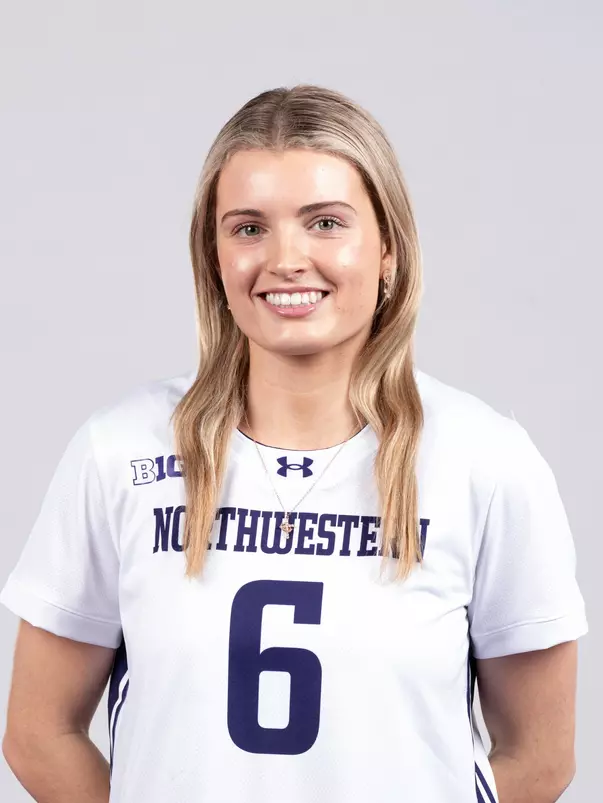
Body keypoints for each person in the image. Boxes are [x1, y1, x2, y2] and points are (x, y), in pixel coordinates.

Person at [0, 84, 588, 803]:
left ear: (387, 251)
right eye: (247, 227)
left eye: (324, 222)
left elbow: (540, 753)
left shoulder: (485, 462)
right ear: (213, 257)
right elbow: (38, 731)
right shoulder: (119, 451)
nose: (285, 258)